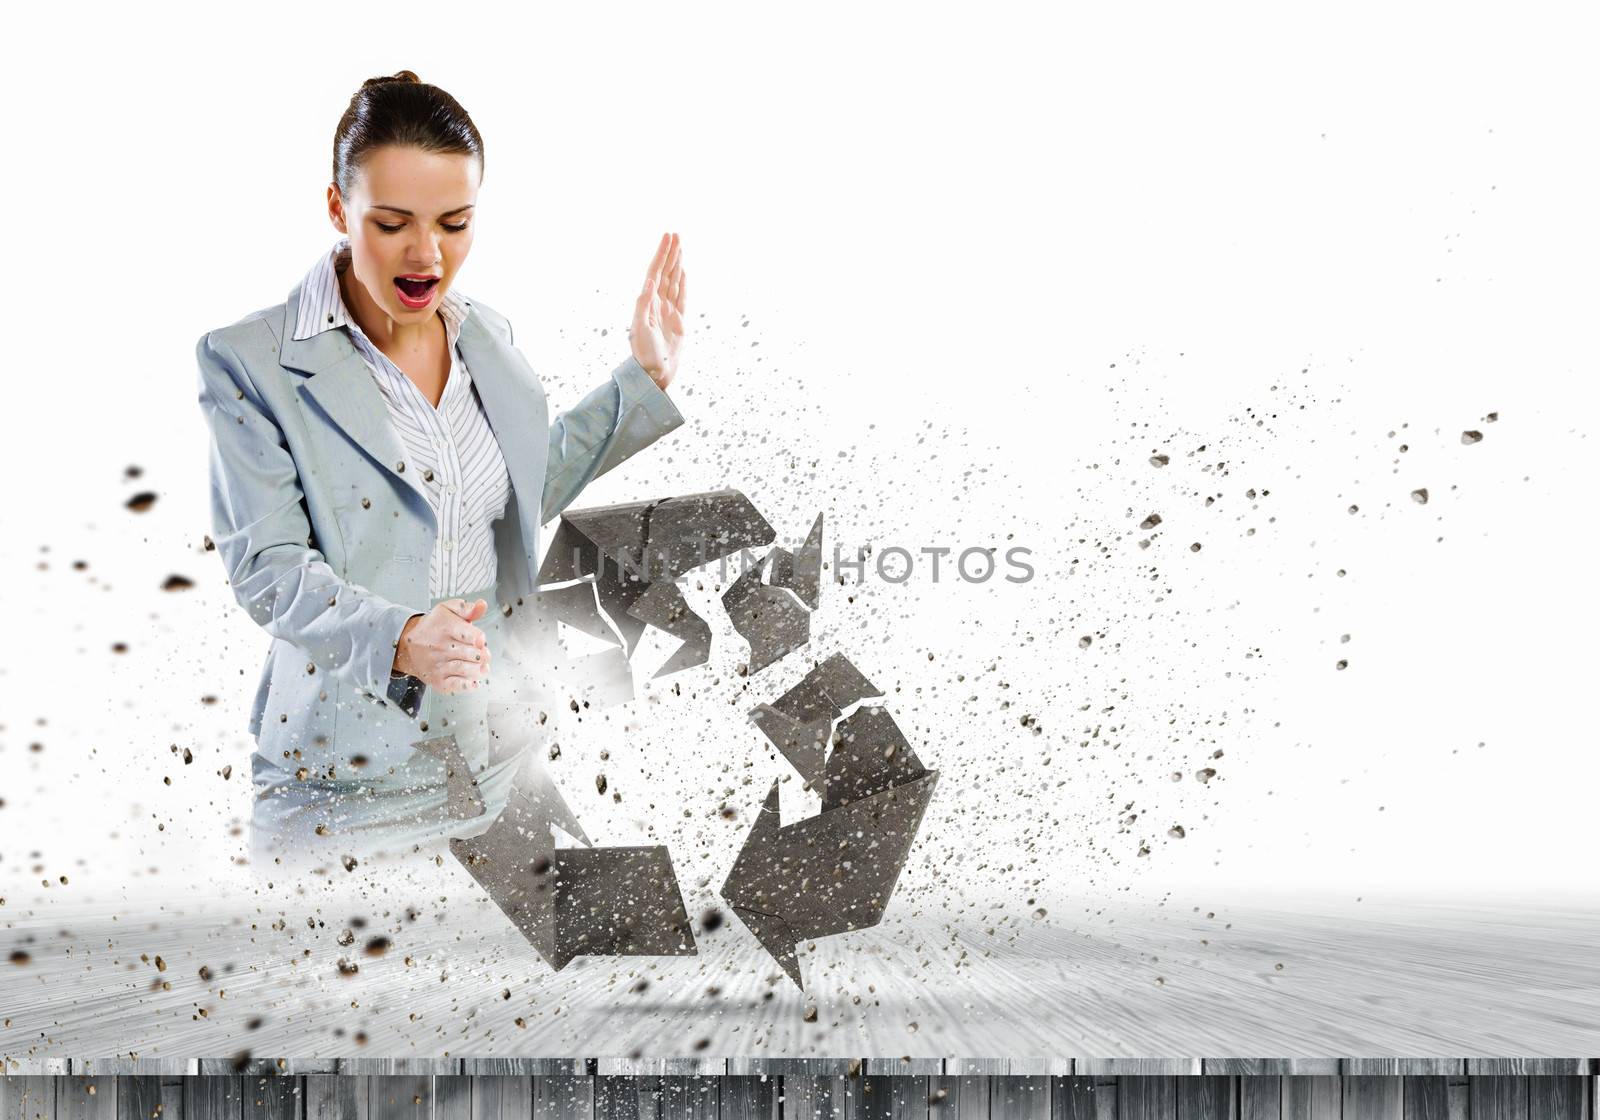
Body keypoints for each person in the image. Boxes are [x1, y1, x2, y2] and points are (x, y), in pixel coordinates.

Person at [195, 70, 688, 875]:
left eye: (454, 223)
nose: (428, 254)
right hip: (337, 797)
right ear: (337, 210)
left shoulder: (485, 336)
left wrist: (642, 382)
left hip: (488, 773)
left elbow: (516, 492)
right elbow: (270, 570)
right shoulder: (252, 363)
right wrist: (401, 639)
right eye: (392, 224)